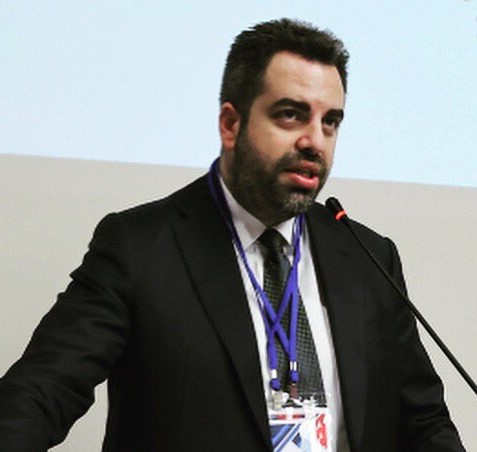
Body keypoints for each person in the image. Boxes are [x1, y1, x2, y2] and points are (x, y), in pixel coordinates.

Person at [0, 18, 466, 452]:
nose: (315, 141)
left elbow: (423, 420)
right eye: (291, 115)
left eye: (330, 122)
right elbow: (42, 392)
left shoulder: (368, 257)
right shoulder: (140, 248)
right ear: (230, 124)